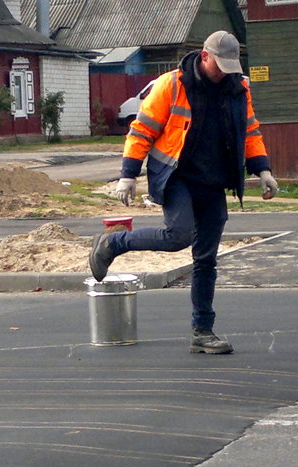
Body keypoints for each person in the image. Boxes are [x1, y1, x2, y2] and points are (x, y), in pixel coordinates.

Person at [89, 30, 277, 354]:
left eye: (229, 67)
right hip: (177, 176)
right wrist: (128, 175)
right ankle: (113, 242)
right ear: (204, 56)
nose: (223, 73)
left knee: (206, 259)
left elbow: (249, 131)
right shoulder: (171, 85)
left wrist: (263, 170)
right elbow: (142, 130)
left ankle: (202, 331)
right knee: (177, 235)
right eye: (219, 66)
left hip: (214, 180)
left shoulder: (238, 87)